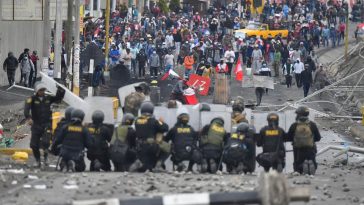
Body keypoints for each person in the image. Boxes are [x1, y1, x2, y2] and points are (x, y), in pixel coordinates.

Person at [24, 82, 65, 168]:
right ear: (37, 91)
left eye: (43, 90)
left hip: (47, 124)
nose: (42, 91)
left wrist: (60, 89)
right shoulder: (32, 99)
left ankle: (46, 158)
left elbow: (58, 98)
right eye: (40, 90)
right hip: (36, 125)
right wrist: (28, 118)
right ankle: (38, 161)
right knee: (33, 145)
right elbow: (26, 109)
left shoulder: (48, 98)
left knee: (45, 142)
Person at [131, 102, 169, 172]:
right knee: (168, 147)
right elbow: (165, 128)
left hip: (139, 148)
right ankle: (159, 165)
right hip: (151, 147)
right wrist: (161, 121)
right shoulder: (153, 121)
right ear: (151, 110)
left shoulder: (136, 121)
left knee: (147, 167)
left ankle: (139, 162)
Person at [286, 106, 321, 175]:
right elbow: (318, 138)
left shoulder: (294, 125)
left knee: (297, 163)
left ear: (298, 115)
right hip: (310, 149)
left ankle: (298, 169)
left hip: (298, 150)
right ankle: (311, 165)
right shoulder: (312, 125)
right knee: (312, 157)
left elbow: (288, 138)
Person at [165, 107, 202, 172]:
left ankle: (179, 164)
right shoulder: (191, 129)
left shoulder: (174, 129)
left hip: (178, 154)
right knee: (195, 149)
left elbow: (166, 139)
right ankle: (190, 168)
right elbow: (197, 138)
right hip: (190, 153)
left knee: (171, 149)